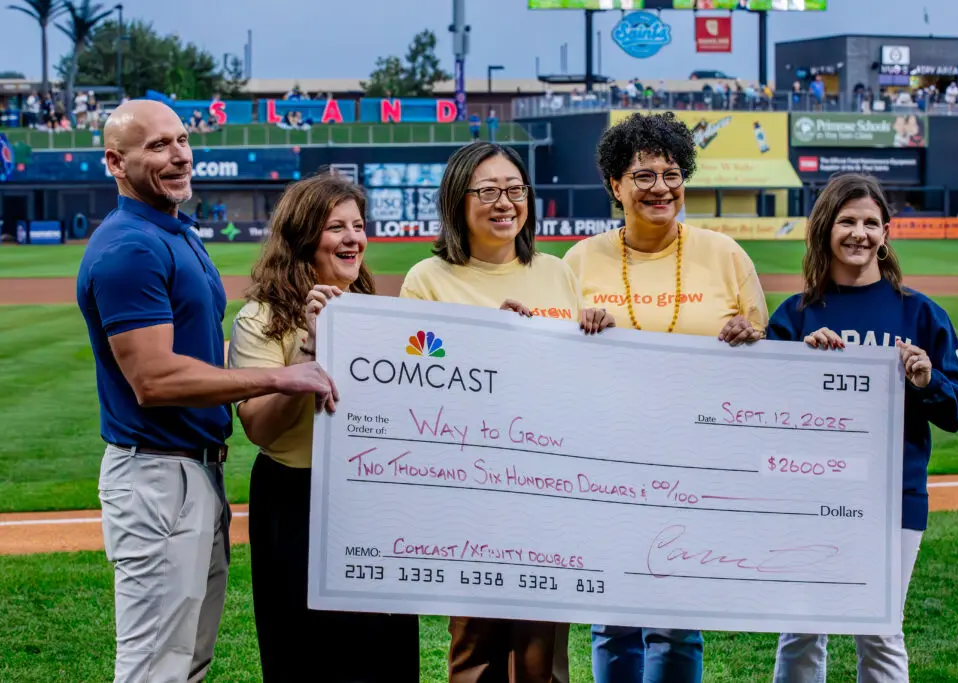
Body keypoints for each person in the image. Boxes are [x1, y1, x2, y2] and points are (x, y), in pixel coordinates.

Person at [76, 99, 338, 683]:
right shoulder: (130, 247)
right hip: (158, 478)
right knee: (155, 668)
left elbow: (194, 356)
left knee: (188, 661)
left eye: (182, 139)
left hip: (192, 473)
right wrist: (278, 376)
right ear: (116, 163)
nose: (178, 155)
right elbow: (155, 379)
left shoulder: (172, 233)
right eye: (157, 146)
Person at [563, 110, 769, 683]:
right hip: (607, 457)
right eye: (644, 175)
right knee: (614, 617)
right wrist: (575, 326)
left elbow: (764, 357)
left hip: (697, 461)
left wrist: (750, 338)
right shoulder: (579, 260)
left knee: (678, 622)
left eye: (672, 173)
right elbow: (554, 358)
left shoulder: (726, 254)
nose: (661, 187)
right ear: (615, 185)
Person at [400, 140, 614, 683]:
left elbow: (575, 378)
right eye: (489, 190)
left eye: (515, 190)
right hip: (471, 494)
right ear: (458, 199)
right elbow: (413, 378)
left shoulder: (555, 271)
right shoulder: (427, 280)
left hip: (548, 491)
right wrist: (481, 341)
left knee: (545, 656)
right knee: (476, 649)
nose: (505, 202)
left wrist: (597, 336)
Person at [766, 173, 958, 683]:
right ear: (824, 230)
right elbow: (762, 413)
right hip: (809, 494)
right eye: (846, 221)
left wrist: (926, 380)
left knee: (880, 630)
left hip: (893, 497)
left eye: (870, 223)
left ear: (886, 233)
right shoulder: (795, 317)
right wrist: (797, 364)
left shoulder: (922, 314)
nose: (858, 233)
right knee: (801, 629)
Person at [227, 173, 420, 682]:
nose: (353, 237)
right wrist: (311, 348)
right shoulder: (260, 318)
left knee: (384, 649)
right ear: (304, 235)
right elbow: (260, 431)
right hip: (297, 499)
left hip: (372, 497)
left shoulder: (378, 311)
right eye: (337, 227)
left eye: (358, 225)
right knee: (304, 650)